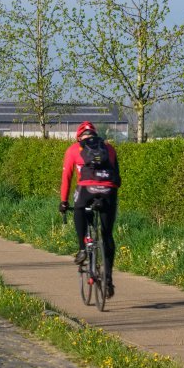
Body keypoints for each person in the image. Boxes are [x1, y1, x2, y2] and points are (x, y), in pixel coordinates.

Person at [59, 121, 121, 298]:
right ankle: (108, 279)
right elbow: (117, 176)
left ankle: (82, 248)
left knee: (79, 209)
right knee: (107, 234)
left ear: (79, 137)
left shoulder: (73, 149)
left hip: (87, 190)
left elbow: (67, 177)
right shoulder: (109, 148)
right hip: (109, 191)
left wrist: (63, 202)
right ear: (95, 134)